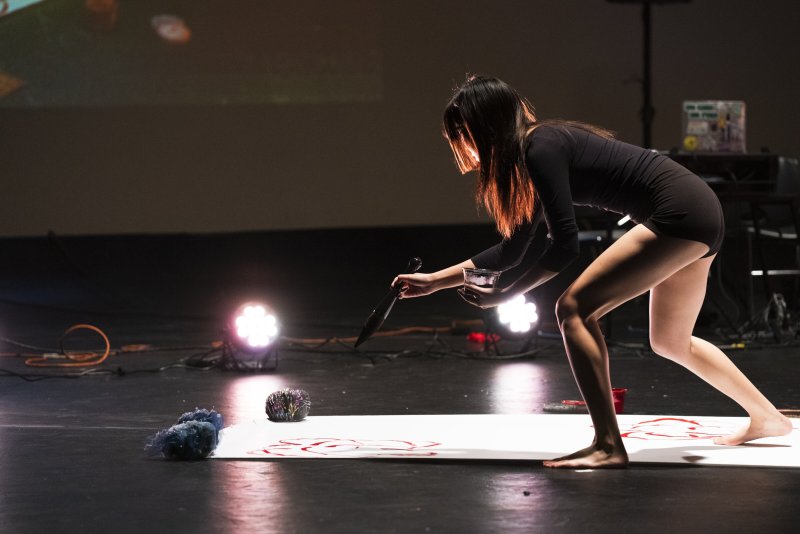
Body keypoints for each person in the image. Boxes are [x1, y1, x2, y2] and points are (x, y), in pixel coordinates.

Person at [393, 75, 792, 469]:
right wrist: (436, 281)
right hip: (699, 211)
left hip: (680, 214)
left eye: (461, 136)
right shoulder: (534, 151)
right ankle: (767, 418)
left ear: (482, 127)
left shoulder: (540, 148)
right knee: (671, 341)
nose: (462, 148)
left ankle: (606, 444)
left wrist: (507, 294)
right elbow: (513, 248)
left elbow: (565, 244)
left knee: (574, 309)